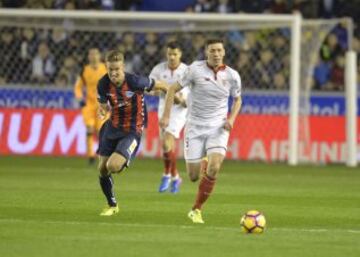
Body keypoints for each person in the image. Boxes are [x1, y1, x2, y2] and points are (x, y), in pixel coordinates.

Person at [160, 39, 242, 224]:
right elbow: (172, 89)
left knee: (214, 168)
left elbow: (238, 100)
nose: (216, 53)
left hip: (218, 127)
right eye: (212, 50)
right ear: (206, 52)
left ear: (224, 52)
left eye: (219, 50)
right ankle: (204, 161)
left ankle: (196, 210)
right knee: (193, 176)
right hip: (195, 127)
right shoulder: (195, 69)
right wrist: (166, 116)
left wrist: (231, 119)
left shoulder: (232, 75)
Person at [97, 49, 168, 216]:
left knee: (113, 166)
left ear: (123, 67)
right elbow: (103, 105)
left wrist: (172, 103)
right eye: (110, 70)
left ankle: (123, 159)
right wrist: (102, 111)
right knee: (102, 169)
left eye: (117, 69)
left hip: (132, 130)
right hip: (111, 127)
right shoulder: (103, 83)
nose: (113, 73)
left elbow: (163, 86)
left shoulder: (135, 81)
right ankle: (112, 205)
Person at [149, 41, 189, 193]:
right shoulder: (158, 69)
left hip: (179, 109)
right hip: (163, 107)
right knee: (167, 145)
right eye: (169, 54)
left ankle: (166, 174)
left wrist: (182, 99)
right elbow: (150, 88)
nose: (172, 57)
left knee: (166, 142)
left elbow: (187, 95)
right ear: (166, 54)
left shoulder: (186, 70)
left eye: (175, 54)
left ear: (180, 54)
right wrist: (160, 91)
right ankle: (176, 176)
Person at [74, 47, 107, 164]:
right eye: (91, 54)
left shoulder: (105, 68)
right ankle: (90, 156)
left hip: (102, 104)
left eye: (95, 54)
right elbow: (78, 86)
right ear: (88, 57)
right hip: (88, 104)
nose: (93, 56)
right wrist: (79, 98)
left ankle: (102, 153)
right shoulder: (84, 70)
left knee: (100, 131)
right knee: (89, 128)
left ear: (100, 56)